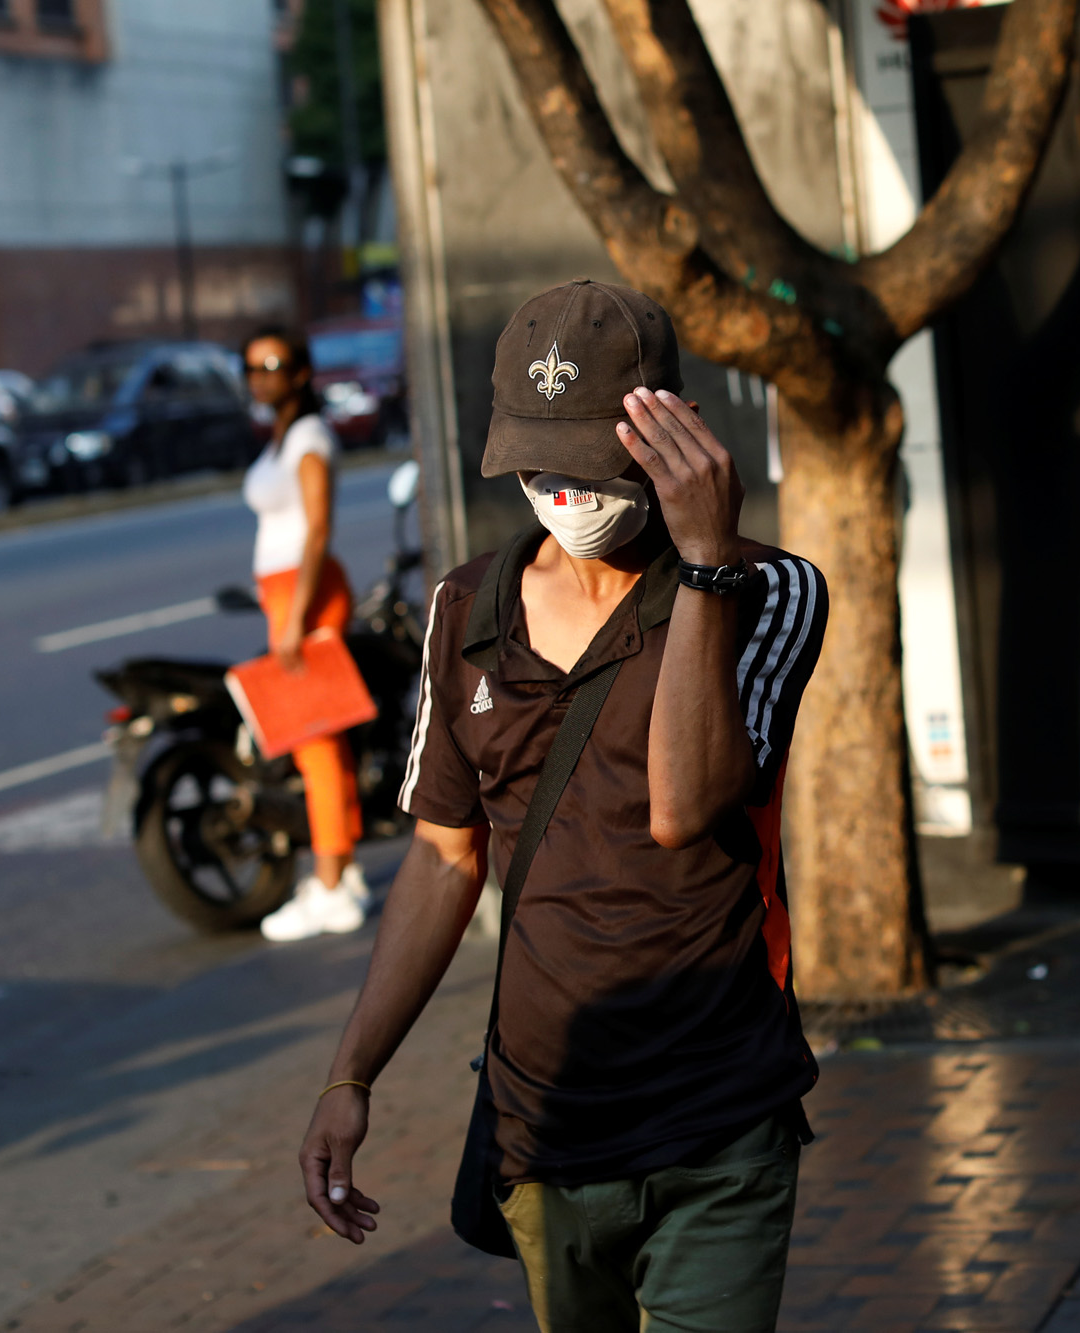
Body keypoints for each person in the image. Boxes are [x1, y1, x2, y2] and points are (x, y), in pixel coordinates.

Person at [297, 280, 827, 1331]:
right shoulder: (466, 609)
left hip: (713, 1119)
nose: (563, 490)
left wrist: (707, 567)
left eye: (590, 457)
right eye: (537, 460)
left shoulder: (770, 592)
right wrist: (349, 1074)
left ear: (670, 432)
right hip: (544, 1127)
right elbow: (446, 857)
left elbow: (684, 806)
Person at [244, 328, 368, 942]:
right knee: (316, 738)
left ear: (300, 372)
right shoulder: (281, 440)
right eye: (252, 367)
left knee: (315, 739)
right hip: (285, 592)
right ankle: (338, 875)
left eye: (274, 364)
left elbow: (318, 530)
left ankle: (329, 885)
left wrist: (295, 616)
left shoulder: (311, 438)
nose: (261, 376)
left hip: (305, 593)